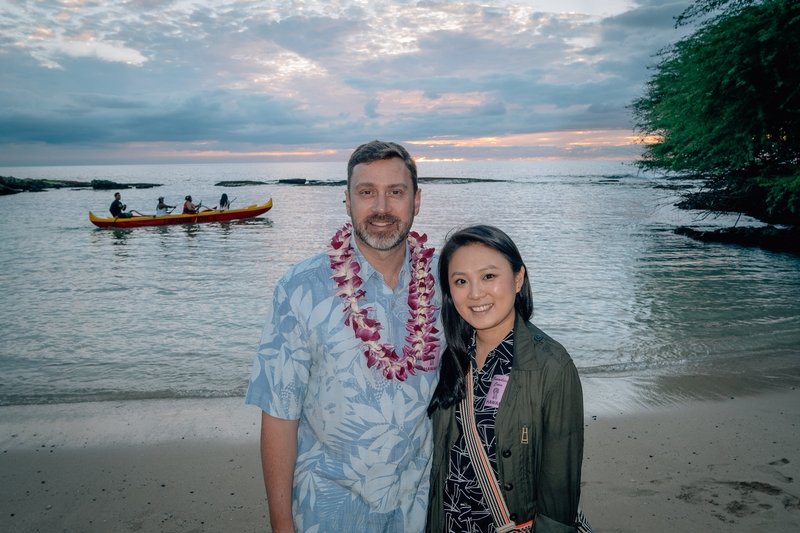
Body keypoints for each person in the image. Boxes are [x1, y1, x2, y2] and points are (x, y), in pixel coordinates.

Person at [245, 140, 442, 533]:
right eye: (367, 192)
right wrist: (281, 525)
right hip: (327, 509)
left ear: (417, 200)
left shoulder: (446, 281)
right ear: (347, 201)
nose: (382, 208)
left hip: (418, 510)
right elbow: (280, 416)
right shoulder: (300, 288)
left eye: (396, 192)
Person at [426, 225, 591, 533]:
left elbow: (560, 487)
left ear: (517, 279)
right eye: (461, 281)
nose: (475, 293)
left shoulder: (552, 367)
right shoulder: (448, 359)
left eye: (489, 276)